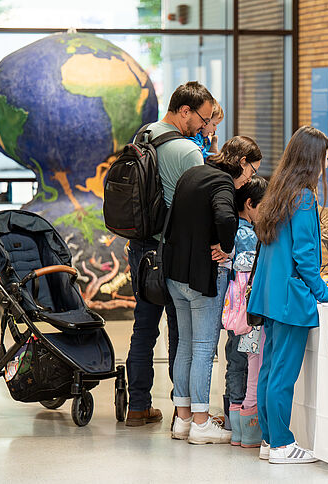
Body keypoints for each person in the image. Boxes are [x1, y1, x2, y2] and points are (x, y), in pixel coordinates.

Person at [126, 81, 216, 427]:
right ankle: (186, 411)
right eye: (203, 119)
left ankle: (138, 405)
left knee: (144, 328)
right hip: (173, 250)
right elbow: (201, 207)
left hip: (141, 246)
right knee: (183, 331)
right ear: (185, 112)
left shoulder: (143, 134)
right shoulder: (187, 151)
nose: (204, 127)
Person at [166, 136, 262, 444]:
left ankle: (182, 421)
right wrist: (227, 246)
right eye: (252, 170)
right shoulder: (222, 183)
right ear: (241, 163)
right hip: (202, 276)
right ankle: (201, 424)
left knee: (184, 346)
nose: (251, 178)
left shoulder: (195, 173)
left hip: (175, 273)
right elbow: (223, 215)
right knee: (204, 349)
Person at [247, 126, 328, 464]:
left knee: (270, 368)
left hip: (270, 296)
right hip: (290, 298)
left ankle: (270, 440)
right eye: (324, 157)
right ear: (313, 159)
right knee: (282, 373)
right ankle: (282, 444)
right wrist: (323, 291)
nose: (325, 163)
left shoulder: (280, 191)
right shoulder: (304, 197)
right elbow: (305, 255)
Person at [228, 176, 267, 449]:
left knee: (235, 364)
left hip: (234, 313)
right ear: (250, 204)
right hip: (249, 315)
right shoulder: (248, 235)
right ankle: (249, 430)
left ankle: (236, 429)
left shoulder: (233, 229)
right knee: (248, 365)